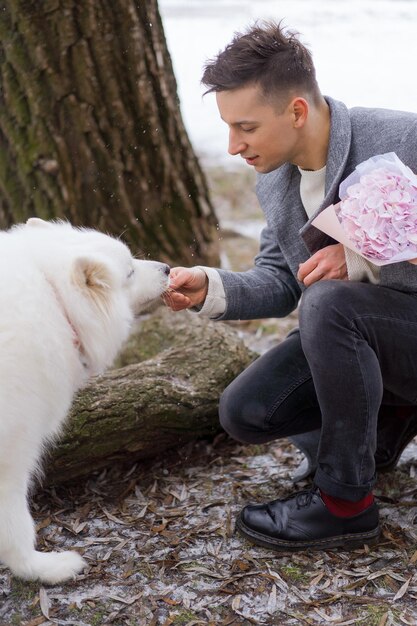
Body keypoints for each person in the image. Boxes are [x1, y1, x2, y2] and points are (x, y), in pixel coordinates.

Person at [165, 21, 417, 552]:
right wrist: (206, 286)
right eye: (228, 128)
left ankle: (346, 505)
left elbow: (334, 286)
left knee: (328, 304)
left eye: (247, 128)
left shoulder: (403, 138)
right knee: (247, 410)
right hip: (368, 336)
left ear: (296, 111)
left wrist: (361, 254)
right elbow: (281, 279)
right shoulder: (275, 178)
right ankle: (388, 422)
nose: (233, 146)